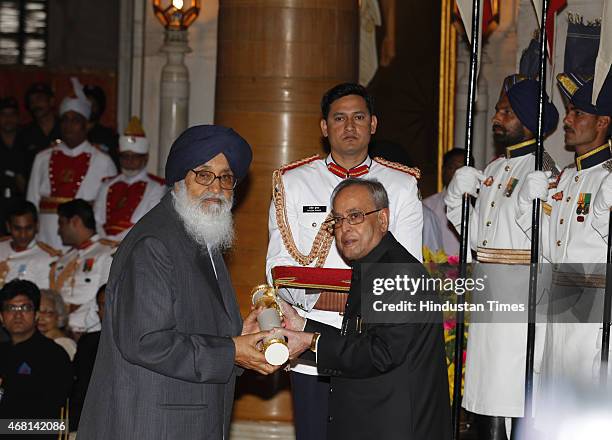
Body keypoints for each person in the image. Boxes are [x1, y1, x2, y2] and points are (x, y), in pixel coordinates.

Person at [78, 125, 279, 439]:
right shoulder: (156, 243)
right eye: (204, 174)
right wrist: (230, 351)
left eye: (226, 177)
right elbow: (145, 341)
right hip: (154, 424)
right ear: (178, 179)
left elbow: (189, 323)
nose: (217, 187)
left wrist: (239, 336)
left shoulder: (200, 234)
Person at [266, 82, 423, 440]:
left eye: (358, 117)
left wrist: (354, 304)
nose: (349, 126)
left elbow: (406, 272)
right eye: (339, 118)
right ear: (324, 127)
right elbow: (278, 267)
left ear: (373, 124)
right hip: (311, 331)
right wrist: (322, 301)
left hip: (377, 340)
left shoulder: (400, 185)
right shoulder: (293, 181)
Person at [273, 178, 451, 440]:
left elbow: (380, 354)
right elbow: (361, 341)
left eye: (355, 216)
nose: (345, 228)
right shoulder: (373, 265)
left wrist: (310, 342)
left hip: (395, 427)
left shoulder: (396, 271)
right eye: (338, 220)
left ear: (382, 220)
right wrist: (302, 326)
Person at [444, 74, 559, 439]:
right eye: (497, 110)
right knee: (483, 393)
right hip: (489, 291)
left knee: (512, 395)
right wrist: (456, 201)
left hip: (521, 295)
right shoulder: (493, 170)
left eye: (507, 112)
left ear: (528, 121)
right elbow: (478, 239)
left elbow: (550, 241)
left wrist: (530, 206)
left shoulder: (543, 169)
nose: (497, 117)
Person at [518, 73, 612, 396]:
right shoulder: (565, 179)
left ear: (602, 123)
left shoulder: (608, 180)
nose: (568, 120)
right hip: (557, 313)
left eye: (578, 114)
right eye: (569, 112)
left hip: (593, 319)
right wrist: (526, 208)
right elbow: (545, 248)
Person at [27, 78, 117, 249]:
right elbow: (32, 201)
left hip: (85, 244)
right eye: (65, 120)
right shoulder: (43, 157)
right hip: (45, 240)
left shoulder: (103, 161)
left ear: (86, 125)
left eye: (75, 120)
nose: (69, 126)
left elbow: (107, 209)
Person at [0, 280, 73, 436]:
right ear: (1, 316)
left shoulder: (53, 356)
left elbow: (51, 424)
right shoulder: (3, 351)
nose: (18, 314)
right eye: (11, 308)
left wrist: (5, 428)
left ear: (36, 315)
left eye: (25, 308)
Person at [94, 117, 166, 241]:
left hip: (134, 243)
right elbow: (97, 219)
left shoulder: (157, 187)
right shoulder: (107, 184)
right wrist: (105, 239)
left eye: (135, 157)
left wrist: (118, 241)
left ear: (145, 158)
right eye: (125, 156)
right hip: (104, 244)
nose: (129, 161)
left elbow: (148, 222)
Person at [49, 199, 113, 335]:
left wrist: (74, 325)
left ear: (75, 221)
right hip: (59, 331)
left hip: (87, 331)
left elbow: (106, 299)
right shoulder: (65, 259)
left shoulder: (107, 253)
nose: (59, 231)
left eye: (61, 224)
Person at [0, 200, 61, 289]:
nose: (23, 235)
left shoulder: (47, 258)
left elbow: (42, 298)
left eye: (28, 228)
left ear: (37, 226)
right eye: (17, 229)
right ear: (8, 227)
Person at [69, 284, 104, 432]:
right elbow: (79, 387)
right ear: (98, 310)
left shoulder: (140, 343)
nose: (110, 310)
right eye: (104, 305)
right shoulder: (88, 343)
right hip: (83, 421)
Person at [423, 148, 466, 257]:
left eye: (464, 169)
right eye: (453, 168)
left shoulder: (481, 206)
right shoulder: (427, 207)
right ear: (443, 170)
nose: (458, 175)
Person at [19, 82, 61, 175]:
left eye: (39, 99)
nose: (35, 105)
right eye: (32, 101)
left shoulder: (65, 128)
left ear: (51, 101)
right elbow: (19, 172)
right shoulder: (25, 133)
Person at [84, 84, 119, 166]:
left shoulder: (109, 136)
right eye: (87, 104)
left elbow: (115, 165)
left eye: (94, 104)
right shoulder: (68, 132)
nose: (90, 108)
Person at [37, 289, 77, 360]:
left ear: (59, 317)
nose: (41, 317)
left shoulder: (65, 345)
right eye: (38, 311)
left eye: (48, 312)